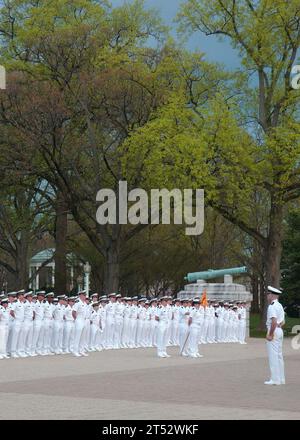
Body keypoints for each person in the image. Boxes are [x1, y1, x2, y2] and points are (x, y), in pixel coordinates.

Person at [265, 286, 286, 385]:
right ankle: (281, 378)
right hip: (280, 330)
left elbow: (273, 321)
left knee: (273, 356)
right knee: (279, 356)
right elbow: (283, 321)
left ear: (272, 295)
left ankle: (275, 379)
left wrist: (270, 334)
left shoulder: (272, 306)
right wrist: (278, 326)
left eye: (268, 294)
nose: (267, 296)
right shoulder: (280, 305)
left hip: (274, 331)